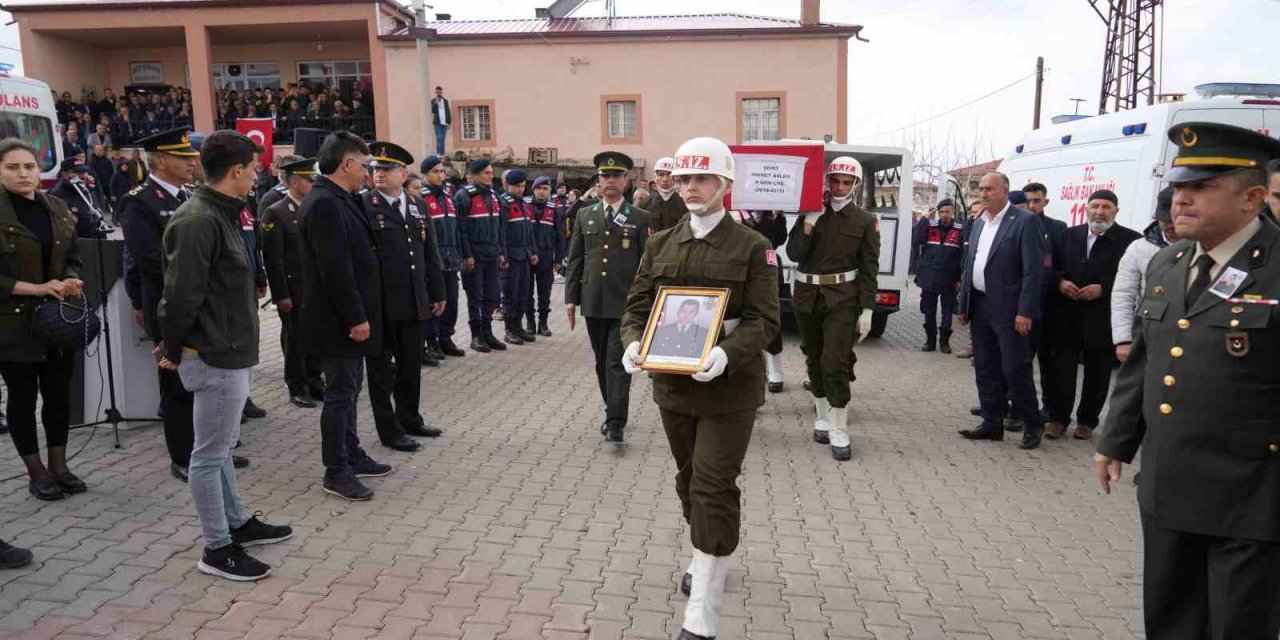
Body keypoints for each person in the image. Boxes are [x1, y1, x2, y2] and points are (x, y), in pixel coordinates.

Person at [1095, 122, 1280, 640]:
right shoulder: (1168, 262)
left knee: (1238, 626)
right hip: (1169, 484)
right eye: (1179, 186)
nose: (1181, 199)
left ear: (1252, 198)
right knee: (1171, 618)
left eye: (1202, 187)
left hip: (1252, 494)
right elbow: (1144, 361)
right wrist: (1115, 439)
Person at [619, 136, 779, 640]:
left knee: (712, 485)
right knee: (690, 482)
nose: (689, 187)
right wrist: (632, 343)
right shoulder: (660, 243)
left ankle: (701, 616)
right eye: (684, 178)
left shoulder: (753, 247)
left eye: (701, 178)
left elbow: (765, 321)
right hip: (673, 388)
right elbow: (638, 308)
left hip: (730, 390)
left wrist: (727, 352)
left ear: (724, 184)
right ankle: (706, 554)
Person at [157, 130, 293, 581]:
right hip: (213, 353)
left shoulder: (221, 212)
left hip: (230, 349)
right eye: (253, 169)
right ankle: (216, 548)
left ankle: (238, 522)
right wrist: (172, 346)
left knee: (221, 447)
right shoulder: (198, 219)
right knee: (209, 454)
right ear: (236, 170)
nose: (257, 176)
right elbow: (181, 295)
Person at [120, 128, 249, 481]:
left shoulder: (192, 195)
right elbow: (150, 260)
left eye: (193, 157)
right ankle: (182, 455)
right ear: (161, 160)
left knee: (206, 383)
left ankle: (211, 449)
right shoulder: (139, 201)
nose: (193, 162)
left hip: (201, 303)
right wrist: (194, 282)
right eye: (183, 157)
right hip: (170, 303)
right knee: (176, 384)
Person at [298, 131, 393, 501]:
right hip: (336, 320)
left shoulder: (341, 197)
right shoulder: (324, 202)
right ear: (347, 163)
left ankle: (351, 454)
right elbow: (334, 269)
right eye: (365, 165)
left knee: (350, 390)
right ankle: (336, 470)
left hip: (349, 316)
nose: (368, 172)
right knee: (340, 394)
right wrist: (356, 317)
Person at [0, 138, 87, 501]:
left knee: (58, 394)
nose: (23, 174)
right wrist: (35, 289)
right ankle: (36, 472)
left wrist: (71, 279)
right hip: (13, 323)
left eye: (29, 166)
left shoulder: (57, 206)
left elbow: (73, 256)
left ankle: (59, 465)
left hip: (56, 322)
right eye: (13, 167)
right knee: (22, 397)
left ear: (39, 171)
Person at [786, 156, 879, 461]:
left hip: (842, 298)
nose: (839, 187)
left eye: (846, 182)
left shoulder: (864, 220)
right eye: (835, 180)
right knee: (813, 358)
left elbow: (869, 267)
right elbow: (794, 253)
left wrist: (868, 309)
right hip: (807, 296)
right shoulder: (811, 213)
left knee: (835, 362)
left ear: (856, 185)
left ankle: (839, 427)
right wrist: (809, 222)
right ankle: (822, 416)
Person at [362, 141, 446, 452]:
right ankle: (389, 430)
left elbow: (429, 252)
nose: (379, 174)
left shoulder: (417, 205)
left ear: (403, 173)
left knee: (410, 366)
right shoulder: (364, 205)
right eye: (376, 168)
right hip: (381, 304)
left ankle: (410, 418)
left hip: (414, 300)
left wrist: (437, 291)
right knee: (381, 372)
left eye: (387, 169)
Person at [566, 152, 651, 444]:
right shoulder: (585, 214)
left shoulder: (640, 218)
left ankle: (615, 421)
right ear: (598, 182)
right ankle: (611, 406)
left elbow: (646, 264)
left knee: (616, 361)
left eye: (616, 176)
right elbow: (576, 259)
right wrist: (570, 298)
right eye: (605, 176)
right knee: (601, 361)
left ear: (626, 181)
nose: (610, 181)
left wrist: (646, 302)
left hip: (625, 303)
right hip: (593, 300)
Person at [956, 172, 1046, 450]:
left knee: (1014, 369)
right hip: (980, 306)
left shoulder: (1025, 222)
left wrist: (1025, 311)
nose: (983, 194)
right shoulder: (978, 222)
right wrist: (964, 303)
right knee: (985, 367)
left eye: (989, 189)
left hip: (1010, 311)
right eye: (981, 189)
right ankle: (992, 423)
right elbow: (970, 265)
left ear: (1005, 191)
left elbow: (1033, 272)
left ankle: (1033, 424)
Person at [1044, 189, 1140, 440]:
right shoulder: (1066, 236)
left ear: (1116, 211)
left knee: (1098, 372)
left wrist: (1103, 288)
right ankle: (1057, 419)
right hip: (1066, 315)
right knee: (1061, 370)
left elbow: (1136, 279)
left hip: (1103, 317)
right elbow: (1048, 267)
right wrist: (1059, 282)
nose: (1099, 212)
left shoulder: (1131, 241)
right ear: (1086, 208)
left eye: (1106, 207)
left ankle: (1087, 421)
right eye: (1095, 206)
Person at [260, 157, 324, 408]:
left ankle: (315, 382)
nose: (314, 184)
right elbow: (273, 259)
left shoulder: (313, 208)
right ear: (295, 182)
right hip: (293, 289)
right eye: (310, 180)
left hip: (315, 288)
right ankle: (297, 386)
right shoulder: (276, 212)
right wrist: (280, 294)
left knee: (315, 336)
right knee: (295, 340)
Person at [728, 209, 788, 391]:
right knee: (738, 316)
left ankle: (775, 367)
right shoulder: (734, 210)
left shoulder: (772, 212)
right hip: (737, 265)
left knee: (769, 314)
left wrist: (775, 216)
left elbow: (779, 239)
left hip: (767, 264)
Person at [455, 159, 507, 353]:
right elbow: (461, 230)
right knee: (475, 296)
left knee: (491, 295)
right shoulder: (464, 196)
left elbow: (499, 228)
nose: (490, 176)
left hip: (492, 255)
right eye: (486, 173)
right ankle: (476, 335)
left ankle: (487, 332)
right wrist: (467, 255)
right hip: (474, 256)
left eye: (491, 172)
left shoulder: (493, 195)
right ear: (475, 175)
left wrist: (501, 252)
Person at [420, 155, 466, 360]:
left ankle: (446, 338)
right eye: (435, 172)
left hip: (451, 257)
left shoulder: (449, 197)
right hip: (433, 258)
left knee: (452, 302)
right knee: (434, 302)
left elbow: (457, 230)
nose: (440, 175)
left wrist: (461, 255)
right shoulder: (421, 198)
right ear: (425, 175)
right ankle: (431, 341)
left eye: (442, 172)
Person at [912, 199, 963, 353]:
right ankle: (930, 341)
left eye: (947, 212)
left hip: (949, 278)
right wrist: (924, 219)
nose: (944, 215)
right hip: (929, 277)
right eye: (941, 212)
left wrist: (960, 279)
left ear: (953, 212)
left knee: (947, 312)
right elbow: (916, 240)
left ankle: (944, 342)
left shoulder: (959, 229)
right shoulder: (930, 226)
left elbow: (963, 256)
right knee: (929, 311)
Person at [498, 169, 536, 344]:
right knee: (510, 295)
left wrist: (533, 252)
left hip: (525, 256)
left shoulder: (524, 204)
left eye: (522, 186)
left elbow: (530, 231)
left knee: (523, 294)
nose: (520, 189)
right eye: (517, 186)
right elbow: (502, 233)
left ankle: (518, 327)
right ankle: (509, 329)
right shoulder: (503, 203)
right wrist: (503, 256)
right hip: (511, 257)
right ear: (508, 186)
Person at [525, 176, 564, 337]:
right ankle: (530, 323)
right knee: (526, 291)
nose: (541, 192)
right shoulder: (525, 204)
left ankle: (543, 323)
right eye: (539, 188)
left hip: (546, 254)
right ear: (533, 190)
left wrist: (559, 259)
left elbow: (560, 236)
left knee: (545, 291)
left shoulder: (555, 208)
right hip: (526, 254)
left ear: (549, 191)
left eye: (545, 189)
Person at [49, 159, 108, 239]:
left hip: (95, 238)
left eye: (85, 172)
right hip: (76, 239)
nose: (84, 175)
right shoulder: (58, 194)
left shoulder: (88, 189)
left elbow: (96, 211)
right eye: (78, 172)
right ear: (65, 174)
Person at [640, 157, 688, 233]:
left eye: (669, 175)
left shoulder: (685, 203)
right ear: (656, 177)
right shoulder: (645, 203)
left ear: (676, 177)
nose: (665, 179)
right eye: (661, 175)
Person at [430, 87, 451, 157]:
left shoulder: (445, 101)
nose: (439, 93)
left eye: (440, 92)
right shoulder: (433, 101)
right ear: (435, 93)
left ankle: (442, 154)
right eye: (437, 92)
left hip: (445, 123)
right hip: (437, 123)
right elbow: (432, 111)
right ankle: (439, 154)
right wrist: (436, 103)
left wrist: (449, 122)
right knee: (439, 138)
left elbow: (448, 111)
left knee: (442, 139)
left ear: (442, 92)